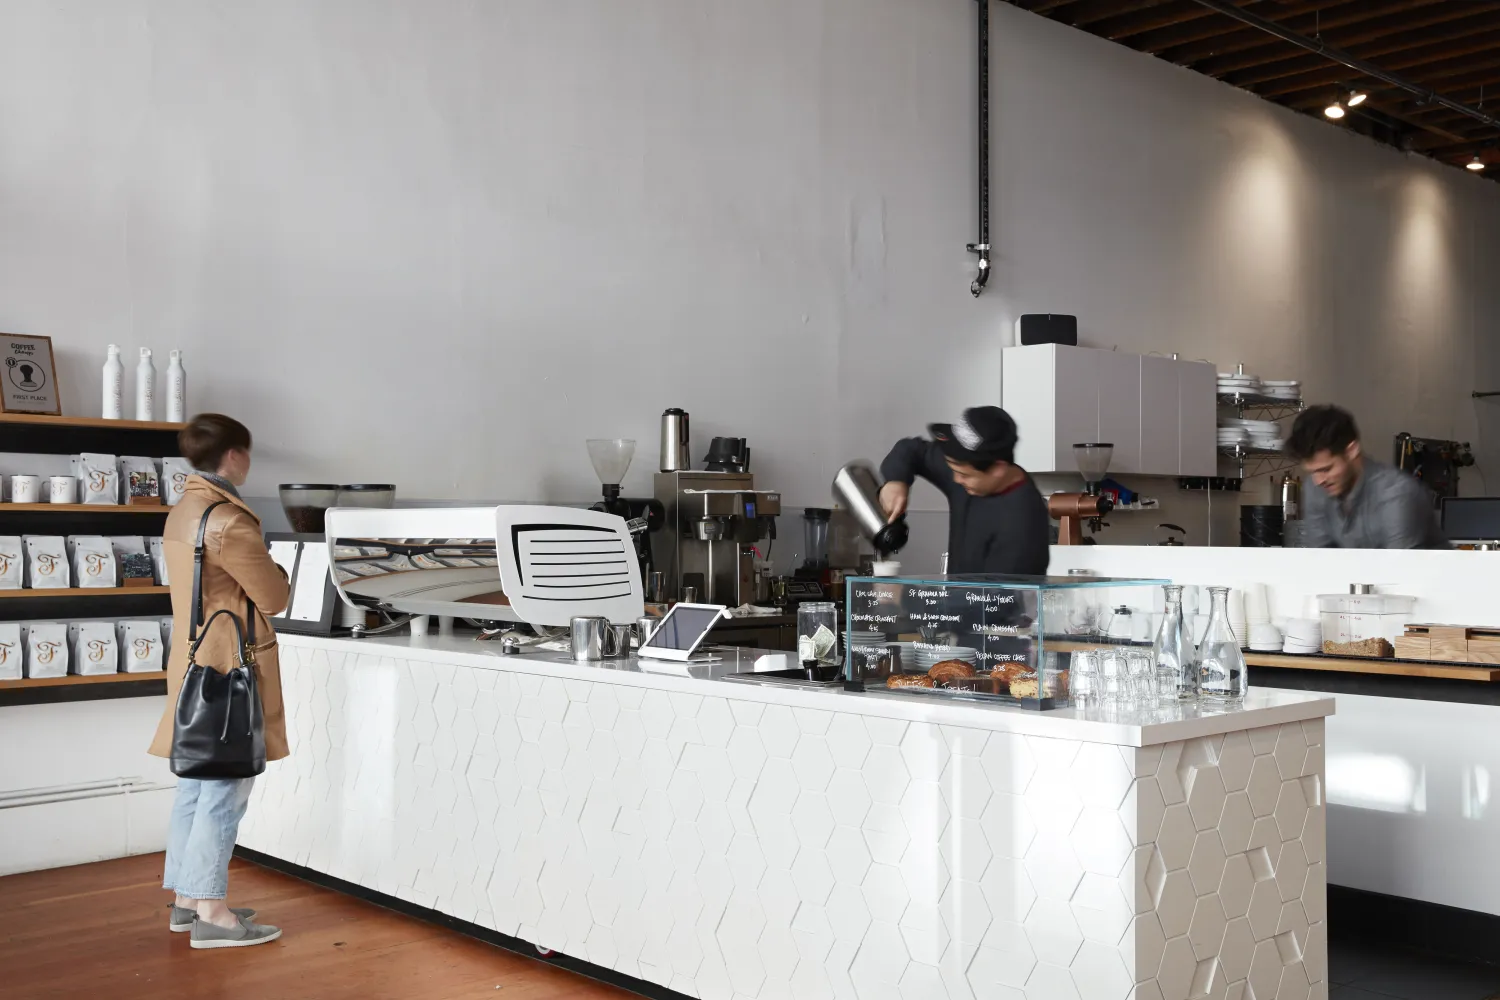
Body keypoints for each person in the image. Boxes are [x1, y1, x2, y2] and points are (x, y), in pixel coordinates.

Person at [147, 414, 292, 949]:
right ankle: (213, 911)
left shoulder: (183, 511)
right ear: (232, 456)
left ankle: (187, 901)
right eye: (247, 453)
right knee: (226, 786)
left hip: (190, 662)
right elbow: (274, 597)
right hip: (229, 666)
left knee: (195, 782)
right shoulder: (230, 521)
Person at [878, 405, 1050, 575]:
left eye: (964, 475)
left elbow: (997, 599)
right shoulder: (968, 469)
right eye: (953, 470)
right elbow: (910, 450)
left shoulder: (1023, 524)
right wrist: (896, 481)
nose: (956, 479)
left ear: (999, 468)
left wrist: (905, 596)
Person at [1286, 404, 1448, 550]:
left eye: (1326, 469)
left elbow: (1399, 575)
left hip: (1428, 581)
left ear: (1352, 451)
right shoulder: (1316, 488)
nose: (1318, 480)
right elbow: (1321, 561)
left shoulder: (1397, 493)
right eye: (1312, 472)